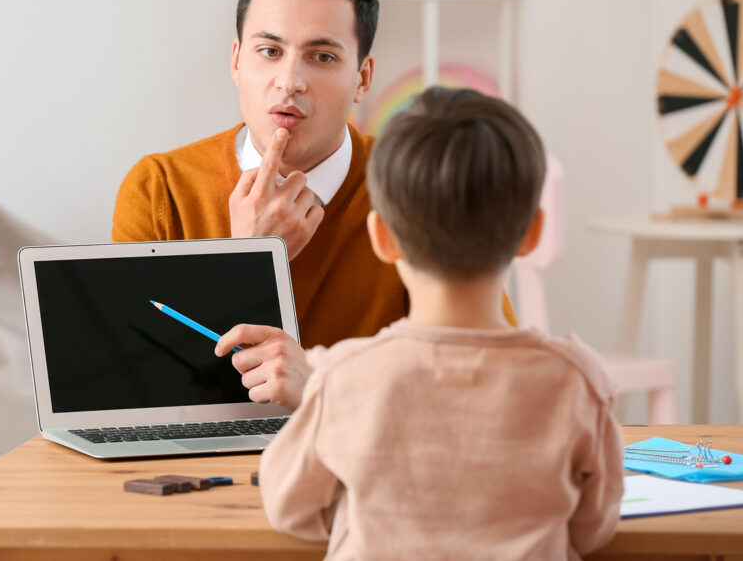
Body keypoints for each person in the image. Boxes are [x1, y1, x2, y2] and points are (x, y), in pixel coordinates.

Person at [112, 0, 516, 409]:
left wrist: (324, 389)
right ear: (237, 62)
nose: (290, 81)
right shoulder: (158, 188)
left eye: (322, 57)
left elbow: (490, 379)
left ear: (362, 78)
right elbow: (135, 391)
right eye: (269, 51)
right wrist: (247, 263)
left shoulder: (424, 186)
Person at [259, 87, 624, 560]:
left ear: (382, 238)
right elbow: (595, 527)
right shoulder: (577, 380)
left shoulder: (343, 376)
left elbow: (288, 506)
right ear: (532, 234)